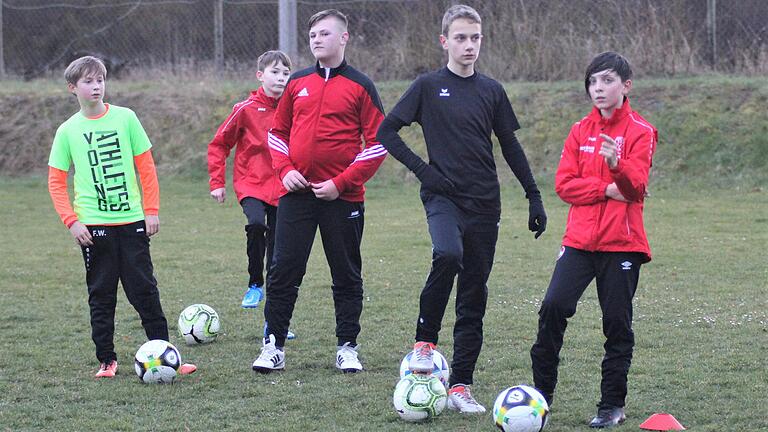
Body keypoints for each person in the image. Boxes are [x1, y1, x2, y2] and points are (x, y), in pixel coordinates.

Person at [376, 4, 547, 413]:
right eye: (460, 38)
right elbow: (387, 132)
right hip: (443, 196)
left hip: (485, 202)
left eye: (475, 38)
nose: (469, 45)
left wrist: (533, 195)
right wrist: (425, 173)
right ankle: (424, 343)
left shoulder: (492, 90)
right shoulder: (428, 86)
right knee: (448, 254)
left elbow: (510, 146)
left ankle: (460, 387)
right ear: (444, 41)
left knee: (474, 293)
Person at [251, 9, 387, 374]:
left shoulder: (361, 85)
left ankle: (347, 347)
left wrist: (340, 183)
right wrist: (286, 171)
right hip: (295, 196)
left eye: (325, 33)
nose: (316, 39)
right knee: (282, 271)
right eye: (312, 34)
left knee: (345, 274)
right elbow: (276, 134)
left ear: (343, 38)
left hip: (342, 198)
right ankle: (273, 346)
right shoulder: (296, 82)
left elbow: (379, 143)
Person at [529, 51, 657, 428]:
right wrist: (605, 187)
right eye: (593, 82)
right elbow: (563, 185)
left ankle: (611, 406)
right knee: (552, 307)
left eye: (607, 81)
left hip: (623, 245)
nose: (598, 89)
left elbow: (636, 189)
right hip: (579, 242)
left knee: (616, 323)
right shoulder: (579, 131)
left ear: (626, 85)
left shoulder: (641, 131)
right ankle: (541, 398)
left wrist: (618, 166)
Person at [47, 56, 196, 378]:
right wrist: (72, 221)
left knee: (144, 290)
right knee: (101, 294)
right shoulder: (67, 130)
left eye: (100, 79)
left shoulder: (126, 118)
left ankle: (168, 355)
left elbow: (147, 168)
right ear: (73, 88)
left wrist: (151, 211)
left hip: (132, 223)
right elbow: (56, 181)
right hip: (93, 227)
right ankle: (107, 360)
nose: (96, 86)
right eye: (88, 81)